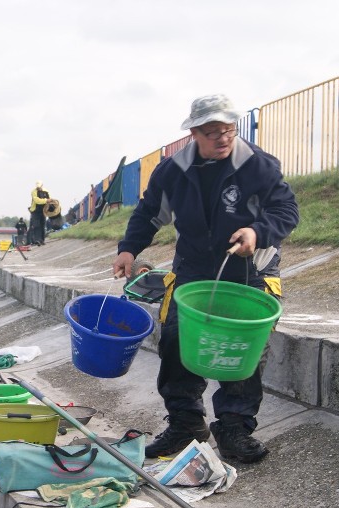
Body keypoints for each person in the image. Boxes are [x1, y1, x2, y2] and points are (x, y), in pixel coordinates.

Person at [112, 94, 299, 463]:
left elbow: (286, 210)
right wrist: (128, 249)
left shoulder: (257, 165)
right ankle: (185, 424)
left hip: (251, 269)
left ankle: (234, 428)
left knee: (243, 351)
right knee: (177, 340)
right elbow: (150, 213)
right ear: (194, 132)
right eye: (213, 131)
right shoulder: (173, 171)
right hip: (194, 269)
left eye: (228, 129)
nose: (223, 138)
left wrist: (257, 232)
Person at [27, 181, 49, 245]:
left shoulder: (46, 191)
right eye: (37, 187)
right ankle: (37, 240)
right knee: (36, 225)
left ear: (42, 186)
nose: (38, 189)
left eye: (39, 187)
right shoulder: (33, 192)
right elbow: (37, 200)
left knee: (42, 225)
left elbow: (49, 199)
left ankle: (42, 240)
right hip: (35, 211)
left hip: (43, 211)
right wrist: (46, 200)